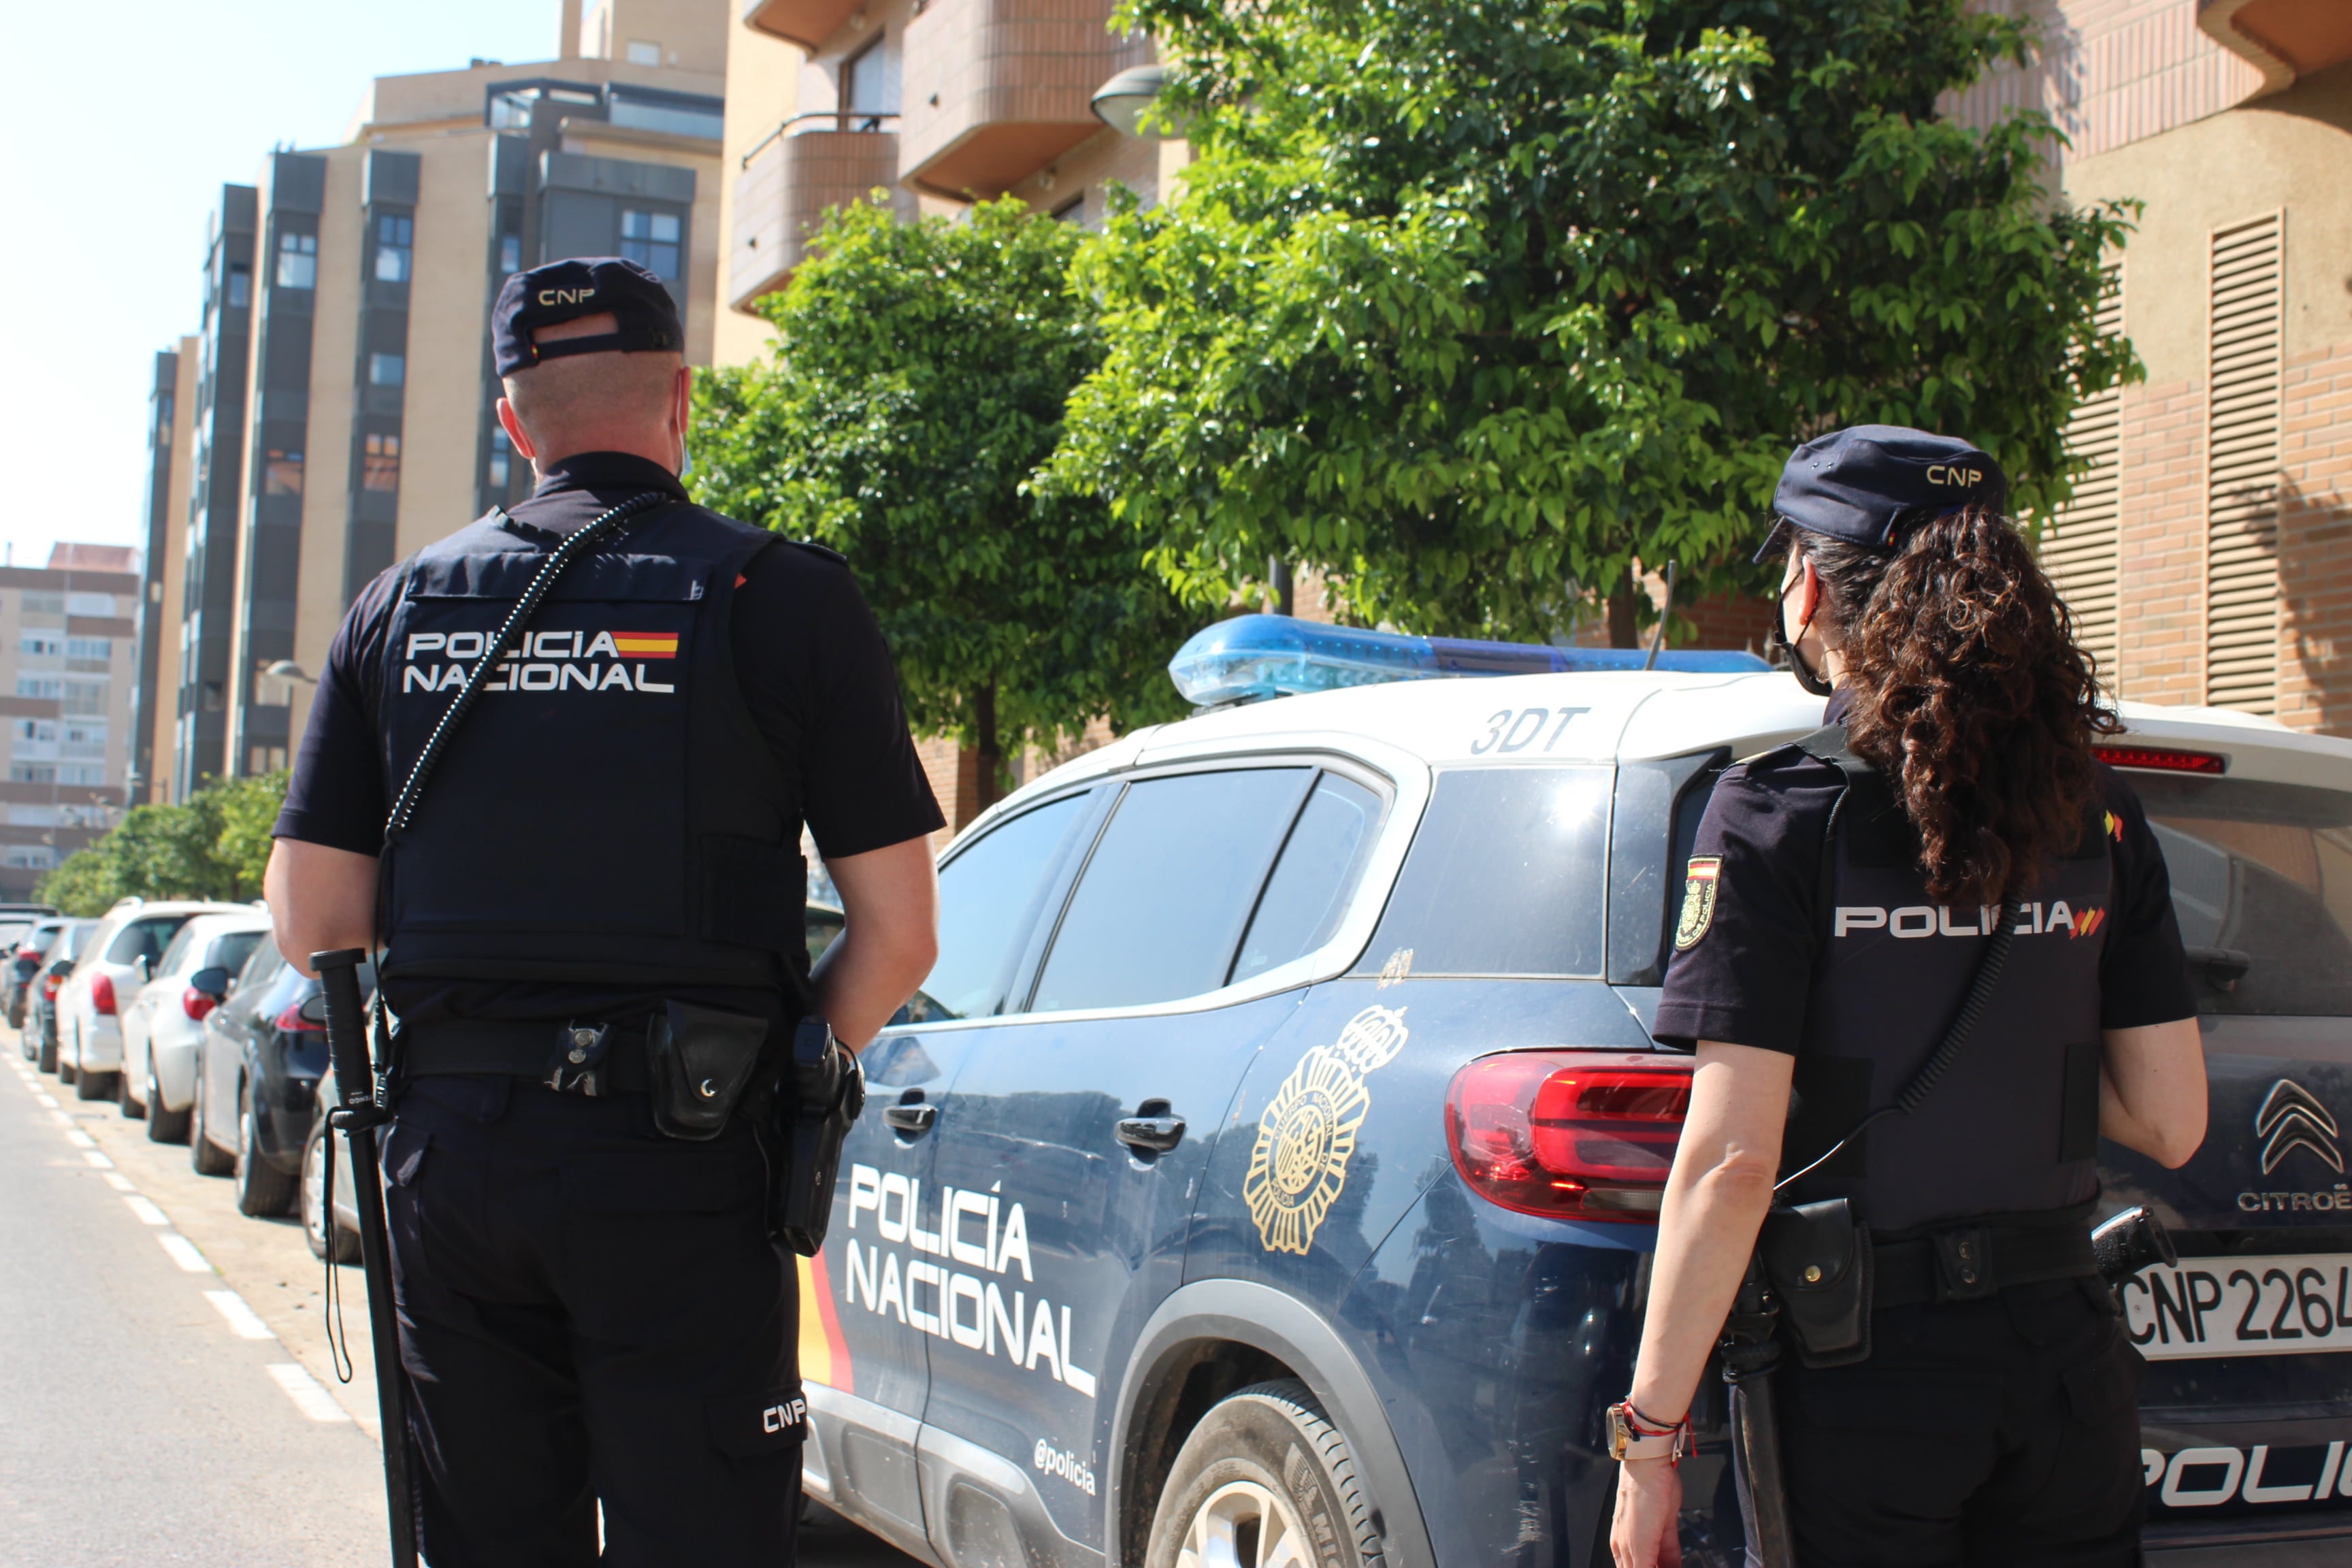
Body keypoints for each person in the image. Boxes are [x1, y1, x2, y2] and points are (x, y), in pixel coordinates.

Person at [264, 256, 944, 1567]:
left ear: (513, 421)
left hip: (456, 1165)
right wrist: (790, 1072)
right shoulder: (783, 597)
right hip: (686, 1159)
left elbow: (316, 925)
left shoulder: (398, 609)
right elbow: (903, 934)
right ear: (683, 400)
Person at [1609, 426, 2208, 1567]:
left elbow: (1732, 1164)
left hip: (1862, 1377)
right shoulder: (2100, 813)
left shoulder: (1780, 815)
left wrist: (1650, 1441)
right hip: (2065, 1368)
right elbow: (2173, 1120)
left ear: (1815, 586)